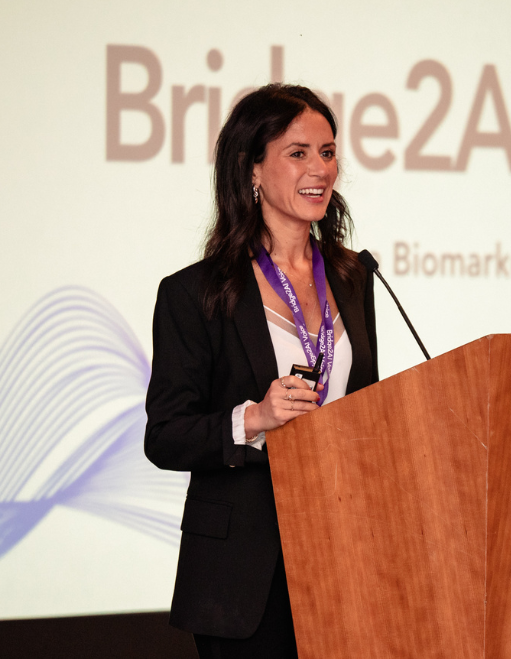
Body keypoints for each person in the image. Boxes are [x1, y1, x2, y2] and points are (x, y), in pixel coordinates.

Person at [144, 84, 378, 658]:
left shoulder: (353, 277)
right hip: (244, 571)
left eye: (327, 152)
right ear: (251, 168)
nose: (319, 168)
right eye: (297, 153)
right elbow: (166, 435)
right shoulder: (196, 293)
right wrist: (254, 417)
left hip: (345, 556)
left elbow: (371, 410)